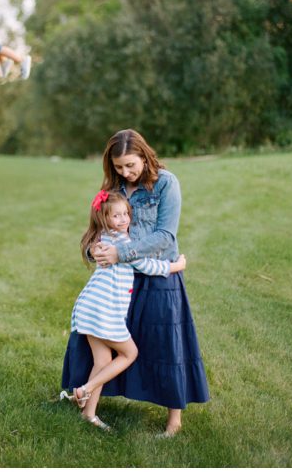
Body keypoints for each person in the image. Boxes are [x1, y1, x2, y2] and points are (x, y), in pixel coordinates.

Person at [61, 129, 209, 437]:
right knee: (105, 343)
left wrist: (121, 252)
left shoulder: (166, 183)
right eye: (118, 167)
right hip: (118, 280)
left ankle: (174, 420)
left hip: (158, 274)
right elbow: (96, 228)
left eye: (131, 165)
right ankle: (86, 401)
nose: (125, 173)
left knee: (164, 345)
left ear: (144, 156)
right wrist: (96, 250)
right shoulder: (114, 187)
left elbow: (164, 236)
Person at [62, 189, 187, 431]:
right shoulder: (121, 242)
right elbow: (146, 265)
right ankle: (85, 390)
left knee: (102, 360)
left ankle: (88, 414)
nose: (123, 220)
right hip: (103, 309)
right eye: (116, 216)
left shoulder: (103, 238)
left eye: (125, 214)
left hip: (89, 307)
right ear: (104, 219)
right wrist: (176, 266)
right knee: (129, 354)